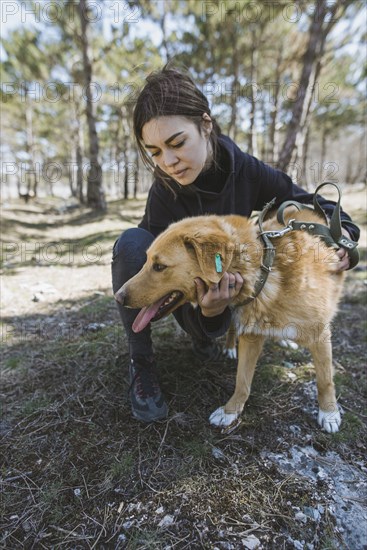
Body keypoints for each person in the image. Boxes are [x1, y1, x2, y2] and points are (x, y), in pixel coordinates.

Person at [111, 66, 359, 423]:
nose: (168, 162)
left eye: (177, 143)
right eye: (155, 152)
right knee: (130, 244)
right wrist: (198, 304)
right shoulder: (163, 189)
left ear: (206, 125)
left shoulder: (245, 170)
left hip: (231, 291)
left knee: (229, 304)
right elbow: (147, 255)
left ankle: (211, 334)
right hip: (187, 294)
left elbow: (308, 202)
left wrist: (345, 236)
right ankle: (142, 362)